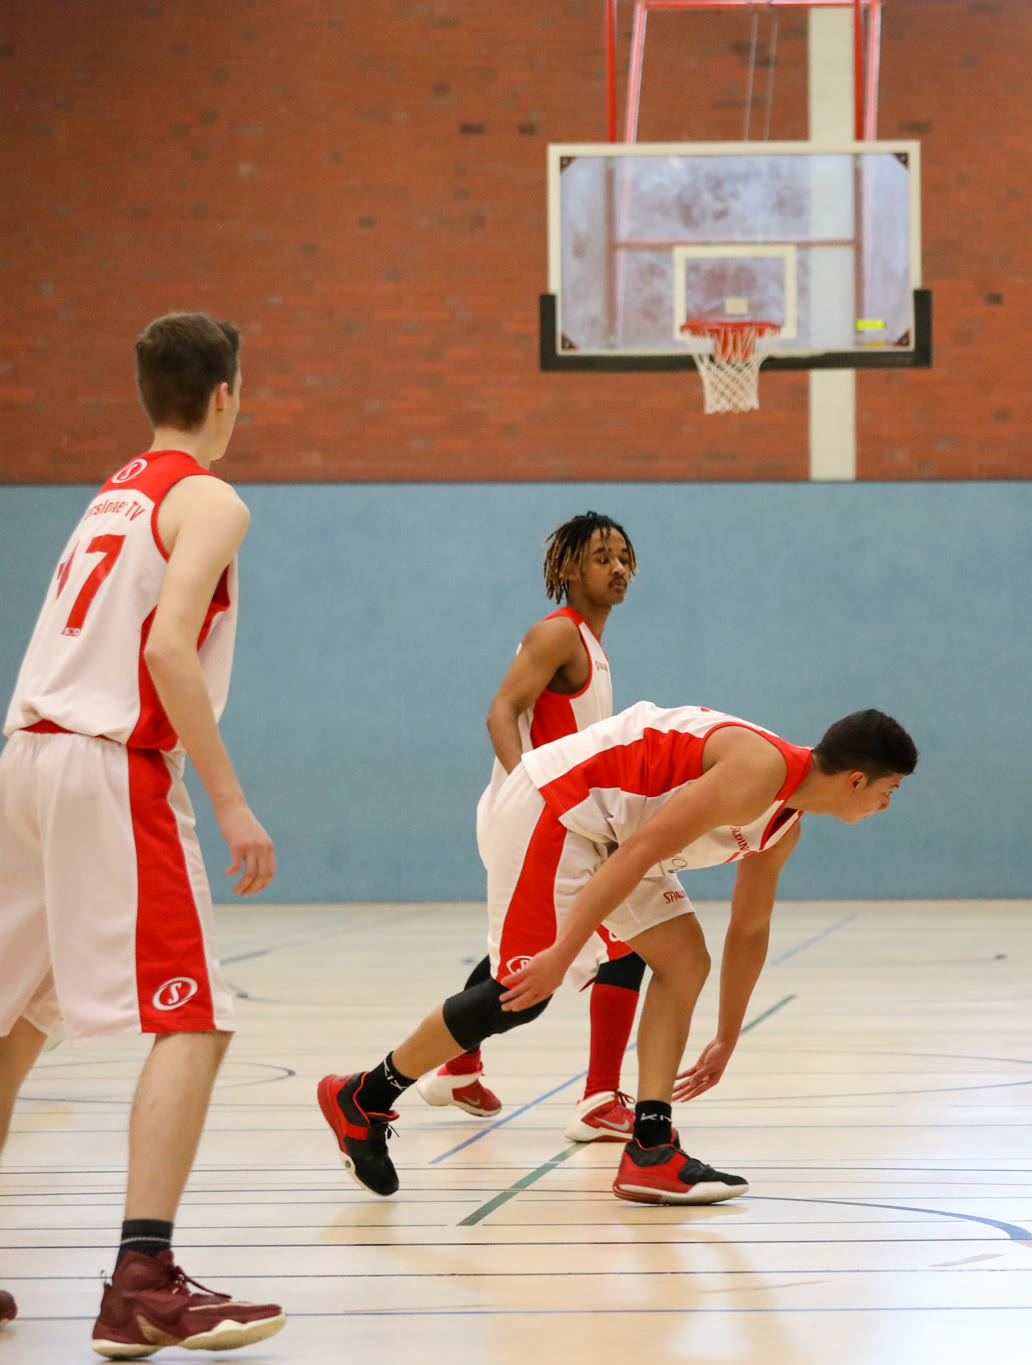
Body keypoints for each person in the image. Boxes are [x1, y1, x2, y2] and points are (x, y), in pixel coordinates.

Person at [317, 703, 915, 1205]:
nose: (887, 806)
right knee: (520, 994)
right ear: (855, 780)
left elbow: (749, 930)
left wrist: (727, 1036)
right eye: (888, 792)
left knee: (685, 961)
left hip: (614, 834)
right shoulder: (759, 771)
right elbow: (642, 850)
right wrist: (562, 953)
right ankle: (363, 1095)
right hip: (558, 805)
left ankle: (651, 1148)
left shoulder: (783, 825)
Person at [0, 314, 287, 1356]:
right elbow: (168, 649)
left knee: (15, 1024)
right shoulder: (208, 496)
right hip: (105, 765)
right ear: (226, 395)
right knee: (195, 1017)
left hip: (24, 756)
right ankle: (142, 1278)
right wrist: (230, 798)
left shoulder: (113, 493)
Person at [421, 512, 651, 1144]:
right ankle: (598, 1099)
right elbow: (501, 711)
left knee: (520, 955)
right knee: (626, 939)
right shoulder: (558, 633)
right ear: (570, 568)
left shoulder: (591, 646)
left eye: (624, 557)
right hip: (541, 820)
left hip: (559, 821)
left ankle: (459, 1067)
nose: (619, 568)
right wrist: (534, 788)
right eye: (603, 557)